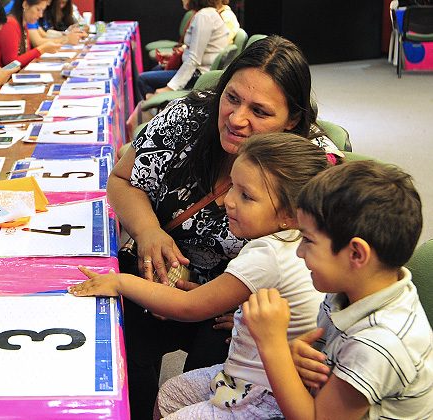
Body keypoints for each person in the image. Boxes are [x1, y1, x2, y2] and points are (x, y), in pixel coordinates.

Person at [107, 35, 335, 419]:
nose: (237, 118)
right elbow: (122, 179)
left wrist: (252, 307)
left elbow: (337, 266)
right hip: (165, 278)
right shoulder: (187, 117)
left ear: (292, 120)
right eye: (231, 98)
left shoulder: (312, 166)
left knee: (213, 382)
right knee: (120, 339)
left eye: (260, 111)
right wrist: (148, 232)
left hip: (238, 316)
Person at [71, 133, 331, 418]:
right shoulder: (295, 240)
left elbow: (189, 306)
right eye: (232, 186)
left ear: (290, 216)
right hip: (251, 370)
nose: (228, 201)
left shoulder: (268, 254)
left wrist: (120, 281)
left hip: (264, 392)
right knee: (169, 395)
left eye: (246, 196)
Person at [244, 160, 432, 419]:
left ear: (356, 253)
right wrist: (294, 356)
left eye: (308, 240)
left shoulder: (379, 344)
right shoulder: (357, 288)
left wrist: (272, 344)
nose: (299, 252)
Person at [137, 0, 229, 99]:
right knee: (157, 69)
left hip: (198, 76)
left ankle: (156, 108)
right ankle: (155, 107)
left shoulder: (204, 17)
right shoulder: (207, 14)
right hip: (197, 71)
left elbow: (194, 59)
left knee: (142, 79)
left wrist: (170, 87)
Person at [0, 0, 62, 86]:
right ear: (25, 4)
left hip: (5, 81)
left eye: (42, 10)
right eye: (38, 9)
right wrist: (41, 49)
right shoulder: (10, 23)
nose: (40, 15)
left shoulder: (22, 24)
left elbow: (23, 56)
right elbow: (11, 64)